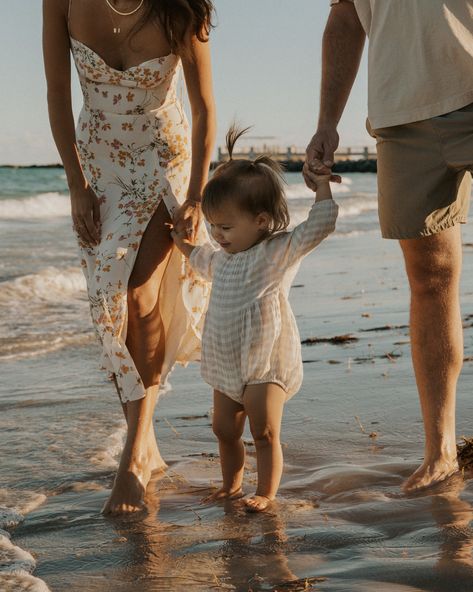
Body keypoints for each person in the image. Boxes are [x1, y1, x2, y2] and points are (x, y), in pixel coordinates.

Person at [43, 0, 216, 515]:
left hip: (167, 158)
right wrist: (76, 184)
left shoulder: (180, 6)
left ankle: (134, 456)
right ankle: (145, 443)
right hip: (101, 165)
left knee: (138, 297)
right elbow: (57, 93)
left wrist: (197, 195)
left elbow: (203, 105)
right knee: (107, 308)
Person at [303, 0, 473, 492]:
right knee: (430, 279)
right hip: (399, 112)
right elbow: (345, 17)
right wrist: (327, 122)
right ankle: (441, 452)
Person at [172, 126, 338, 512]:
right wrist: (182, 240)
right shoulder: (220, 259)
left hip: (265, 361)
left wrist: (323, 188)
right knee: (223, 429)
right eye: (213, 226)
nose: (217, 235)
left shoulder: (279, 252)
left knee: (264, 432)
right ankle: (231, 485)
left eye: (226, 227)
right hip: (225, 360)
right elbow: (196, 257)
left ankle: (265, 491)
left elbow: (322, 223)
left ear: (261, 221)